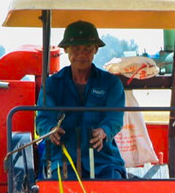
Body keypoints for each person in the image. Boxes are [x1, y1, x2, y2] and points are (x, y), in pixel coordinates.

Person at [36, 20, 126, 180]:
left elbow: (115, 118)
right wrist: (51, 130)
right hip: (62, 158)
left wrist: (104, 131)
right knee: (58, 191)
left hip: (103, 159)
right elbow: (42, 119)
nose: (82, 54)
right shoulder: (52, 84)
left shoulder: (111, 83)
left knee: (114, 185)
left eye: (87, 48)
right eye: (76, 48)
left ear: (96, 49)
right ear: (65, 49)